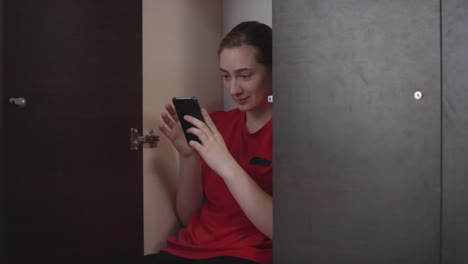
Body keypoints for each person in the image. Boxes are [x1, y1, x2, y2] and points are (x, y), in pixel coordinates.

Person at [142, 21, 272, 264]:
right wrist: (188, 156)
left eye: (245, 75)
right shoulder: (217, 124)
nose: (234, 89)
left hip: (246, 255)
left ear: (274, 71)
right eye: (225, 76)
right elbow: (189, 217)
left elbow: (281, 230)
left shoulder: (292, 136)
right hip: (185, 250)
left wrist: (226, 164)